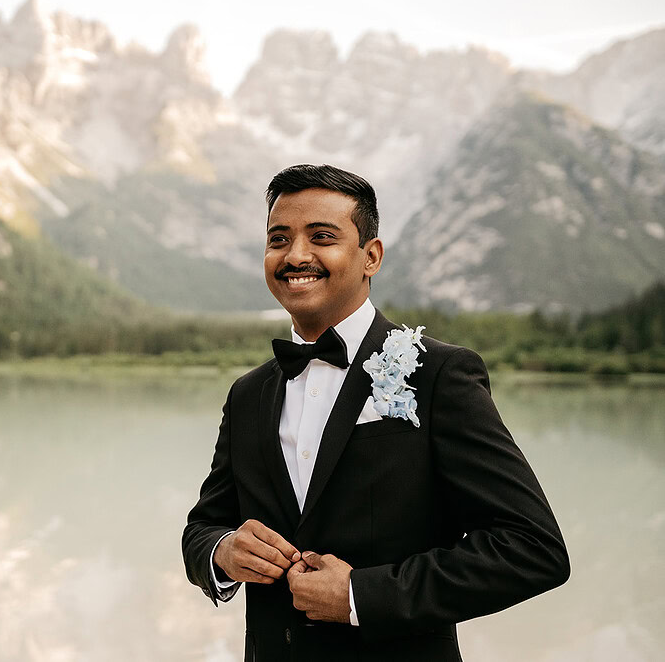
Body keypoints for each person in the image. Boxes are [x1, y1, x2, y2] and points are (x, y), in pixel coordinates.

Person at [181, 164, 569, 661]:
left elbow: (533, 548)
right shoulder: (247, 394)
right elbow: (203, 527)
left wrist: (361, 596)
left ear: (371, 256)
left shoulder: (439, 374)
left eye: (322, 237)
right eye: (279, 239)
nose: (296, 255)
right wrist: (222, 551)